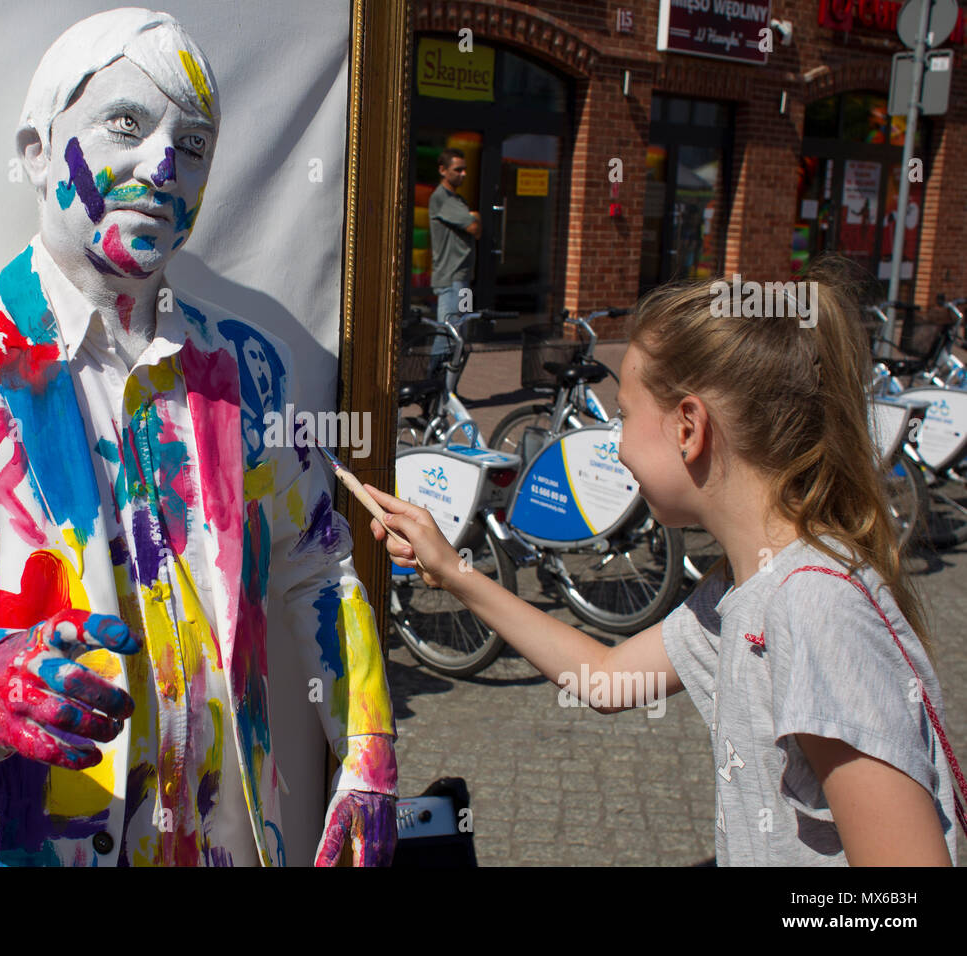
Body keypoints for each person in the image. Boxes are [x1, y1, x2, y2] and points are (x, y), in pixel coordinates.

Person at [0, 8, 397, 868]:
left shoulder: (248, 369)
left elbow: (318, 565)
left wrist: (368, 752)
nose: (163, 166)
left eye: (194, 146)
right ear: (36, 149)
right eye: (127, 124)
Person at [365, 258, 965, 865]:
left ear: (689, 427)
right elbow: (604, 680)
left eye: (624, 416)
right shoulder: (745, 586)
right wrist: (452, 570)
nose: (617, 443)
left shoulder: (814, 608)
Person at [428, 147, 481, 374]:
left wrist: (474, 218)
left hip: (463, 280)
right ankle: (432, 390)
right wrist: (475, 216)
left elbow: (474, 227)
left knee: (461, 336)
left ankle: (449, 391)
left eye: (465, 170)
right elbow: (474, 226)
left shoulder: (458, 200)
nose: (463, 174)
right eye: (457, 169)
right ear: (443, 170)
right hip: (451, 282)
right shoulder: (442, 198)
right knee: (448, 337)